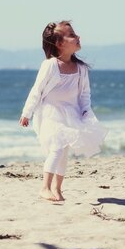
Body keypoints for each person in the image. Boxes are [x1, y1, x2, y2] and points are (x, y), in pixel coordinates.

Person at [19, 21, 108, 202]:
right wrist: (26, 113)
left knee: (64, 154)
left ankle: (58, 189)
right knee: (57, 148)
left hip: (71, 115)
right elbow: (37, 90)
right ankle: (45, 187)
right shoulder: (50, 65)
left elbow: (84, 94)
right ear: (59, 44)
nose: (78, 37)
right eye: (72, 35)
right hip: (51, 114)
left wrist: (85, 112)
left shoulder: (81, 69)